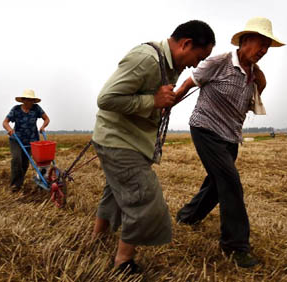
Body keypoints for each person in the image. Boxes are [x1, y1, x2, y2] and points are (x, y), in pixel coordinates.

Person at [91, 20, 215, 274]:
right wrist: (152, 100)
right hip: (118, 140)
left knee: (114, 191)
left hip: (133, 139)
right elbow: (106, 99)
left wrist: (162, 102)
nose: (196, 64)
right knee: (145, 198)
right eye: (198, 57)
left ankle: (96, 239)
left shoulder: (171, 65)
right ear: (186, 44)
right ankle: (123, 263)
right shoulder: (145, 58)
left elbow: (152, 97)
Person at [174, 17, 285, 268]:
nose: (264, 50)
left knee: (216, 184)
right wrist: (167, 105)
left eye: (267, 46)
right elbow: (189, 83)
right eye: (261, 44)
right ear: (245, 41)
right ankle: (235, 247)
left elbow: (250, 101)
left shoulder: (256, 75)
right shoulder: (220, 61)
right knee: (231, 183)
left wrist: (261, 84)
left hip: (230, 136)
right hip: (205, 128)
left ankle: (187, 216)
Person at [2, 89, 50, 192]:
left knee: (25, 163)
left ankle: (19, 182)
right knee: (16, 160)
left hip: (31, 140)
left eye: (31, 100)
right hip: (16, 139)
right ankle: (15, 185)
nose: (29, 102)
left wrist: (42, 127)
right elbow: (5, 122)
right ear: (23, 100)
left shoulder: (36, 109)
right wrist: (10, 130)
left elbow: (47, 119)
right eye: (27, 100)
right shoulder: (16, 109)